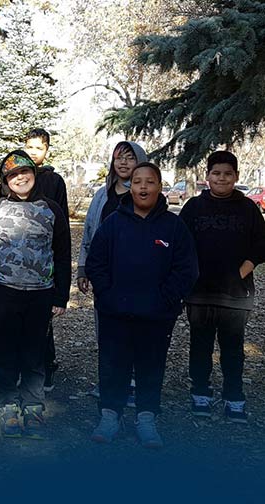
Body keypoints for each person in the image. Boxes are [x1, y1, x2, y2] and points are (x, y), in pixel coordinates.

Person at [86, 162, 198, 448]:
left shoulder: (174, 226)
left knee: (151, 367)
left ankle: (147, 418)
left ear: (160, 186)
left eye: (150, 182)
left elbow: (186, 269)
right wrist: (107, 296)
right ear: (131, 186)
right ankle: (110, 415)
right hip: (115, 314)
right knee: (113, 365)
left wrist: (164, 300)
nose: (143, 187)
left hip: (156, 317)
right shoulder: (113, 222)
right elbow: (96, 262)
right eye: (137, 182)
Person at [0, 150, 71, 439]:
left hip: (40, 293)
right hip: (2, 290)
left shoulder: (51, 208)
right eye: (13, 175)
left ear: (34, 174)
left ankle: (33, 404)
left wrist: (60, 295)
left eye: (25, 172)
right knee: (4, 349)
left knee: (34, 351)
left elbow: (63, 252)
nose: (20, 178)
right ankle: (7, 402)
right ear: (5, 181)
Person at [180, 151, 265, 423]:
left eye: (228, 174)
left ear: (236, 177)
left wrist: (242, 272)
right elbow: (180, 246)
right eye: (216, 173)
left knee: (232, 348)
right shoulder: (193, 207)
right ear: (207, 177)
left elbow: (261, 244)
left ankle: (234, 396)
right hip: (200, 293)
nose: (222, 178)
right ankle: (200, 393)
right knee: (200, 345)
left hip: (235, 295)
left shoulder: (248, 208)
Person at [77, 140, 148, 403]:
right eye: (119, 158)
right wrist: (83, 268)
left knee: (133, 330)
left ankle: (130, 383)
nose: (123, 163)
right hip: (105, 275)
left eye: (130, 158)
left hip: (136, 276)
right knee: (106, 330)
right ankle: (108, 381)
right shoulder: (101, 195)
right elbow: (88, 233)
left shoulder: (143, 194)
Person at [24, 128, 69, 392]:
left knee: (43, 320)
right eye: (29, 146)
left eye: (38, 148)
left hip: (45, 256)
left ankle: (46, 366)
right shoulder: (14, 175)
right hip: (17, 256)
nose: (33, 152)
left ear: (46, 150)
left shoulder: (54, 181)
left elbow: (61, 219)